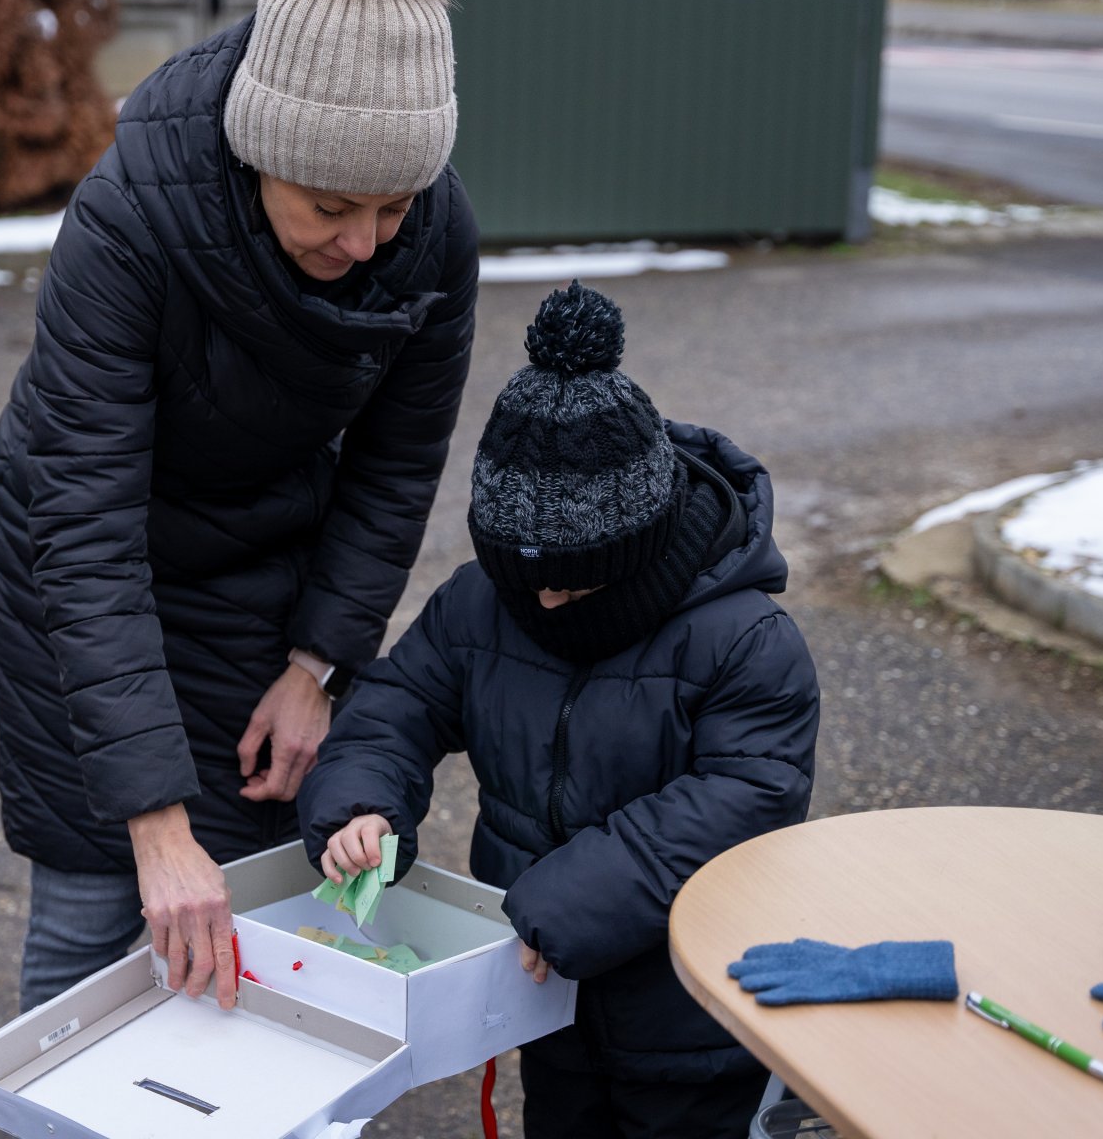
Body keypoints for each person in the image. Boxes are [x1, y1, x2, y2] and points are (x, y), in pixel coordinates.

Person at [0, 0, 478, 1015]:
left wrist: (316, 663)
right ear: (258, 152)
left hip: (261, 559)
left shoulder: (436, 234)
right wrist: (153, 823)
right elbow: (84, 526)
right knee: (106, 889)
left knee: (249, 874)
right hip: (79, 557)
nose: (366, 242)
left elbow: (396, 468)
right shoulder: (128, 223)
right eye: (329, 209)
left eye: (392, 208)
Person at [298, 282, 821, 1139]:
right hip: (547, 997)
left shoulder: (746, 639)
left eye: (571, 578)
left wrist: (571, 900)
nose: (541, 601)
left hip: (692, 1017)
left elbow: (744, 798)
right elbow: (398, 702)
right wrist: (359, 800)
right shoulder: (482, 602)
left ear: (641, 543)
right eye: (521, 574)